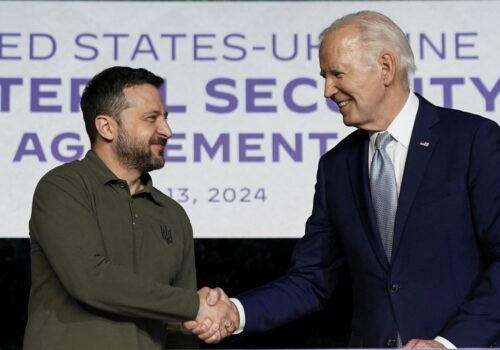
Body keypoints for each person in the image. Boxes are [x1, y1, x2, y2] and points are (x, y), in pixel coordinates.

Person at [184, 10, 500, 348]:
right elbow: (312, 279)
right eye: (324, 75)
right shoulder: (336, 166)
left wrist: (449, 343)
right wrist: (235, 311)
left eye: (336, 74)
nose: (327, 90)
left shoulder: (472, 141)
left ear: (386, 68)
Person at [23, 66, 234, 350]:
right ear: (107, 127)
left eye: (166, 118)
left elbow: (179, 324)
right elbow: (90, 280)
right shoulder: (63, 187)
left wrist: (200, 317)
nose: (167, 131)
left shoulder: (172, 214)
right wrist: (194, 306)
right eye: (152, 119)